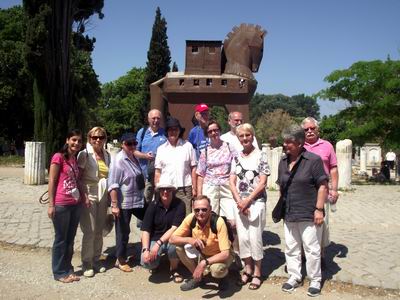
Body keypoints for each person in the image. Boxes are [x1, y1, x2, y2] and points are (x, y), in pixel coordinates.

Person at [278, 124, 328, 297]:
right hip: (290, 212)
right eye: (284, 141)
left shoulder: (313, 160)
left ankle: (315, 279)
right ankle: (294, 276)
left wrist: (319, 209)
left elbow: (322, 186)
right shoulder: (283, 161)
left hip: (309, 212)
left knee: (311, 248)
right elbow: (281, 186)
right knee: (291, 247)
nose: (285, 145)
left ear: (299, 143)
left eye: (288, 142)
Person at [229, 123, 270, 290]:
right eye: (241, 136)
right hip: (239, 204)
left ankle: (258, 273)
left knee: (255, 239)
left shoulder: (262, 155)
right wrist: (240, 201)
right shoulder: (236, 156)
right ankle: (247, 269)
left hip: (256, 202)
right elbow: (232, 181)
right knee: (243, 239)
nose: (245, 138)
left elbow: (263, 182)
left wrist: (248, 201)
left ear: (252, 136)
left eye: (247, 135)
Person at [169, 195, 233, 291]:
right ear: (193, 210)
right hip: (203, 253)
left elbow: (225, 254)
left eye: (204, 209)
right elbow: (172, 239)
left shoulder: (218, 222)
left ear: (210, 209)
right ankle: (198, 278)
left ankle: (223, 278)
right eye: (197, 210)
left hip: (220, 256)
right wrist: (190, 240)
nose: (200, 213)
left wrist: (204, 263)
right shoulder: (191, 218)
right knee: (178, 248)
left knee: (217, 270)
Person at [47, 129, 83, 283]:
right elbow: (52, 181)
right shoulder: (58, 157)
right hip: (61, 204)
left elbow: (77, 181)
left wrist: (84, 197)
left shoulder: (74, 159)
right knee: (61, 239)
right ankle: (59, 272)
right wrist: (51, 204)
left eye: (79, 141)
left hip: (75, 204)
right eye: (74, 140)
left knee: (70, 238)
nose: (76, 143)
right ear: (67, 140)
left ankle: (68, 268)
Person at [108, 132, 146, 272]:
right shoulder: (118, 160)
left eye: (134, 143)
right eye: (128, 144)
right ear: (122, 145)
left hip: (138, 199)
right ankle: (121, 259)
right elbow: (113, 184)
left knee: (149, 220)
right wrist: (114, 205)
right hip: (124, 202)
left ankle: (145, 250)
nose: (132, 146)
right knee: (123, 231)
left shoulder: (133, 156)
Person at [301, 117, 338, 258]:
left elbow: (333, 168)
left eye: (312, 128)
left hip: (322, 190)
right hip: (303, 191)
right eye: (306, 129)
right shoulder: (299, 146)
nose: (310, 131)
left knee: (320, 222)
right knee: (304, 222)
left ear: (317, 129)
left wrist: (334, 189)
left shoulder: (327, 145)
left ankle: (321, 255)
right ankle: (304, 254)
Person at [77, 126, 111, 277]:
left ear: (105, 139)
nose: (98, 140)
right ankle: (86, 262)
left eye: (101, 137)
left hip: (103, 193)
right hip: (89, 193)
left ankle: (96, 259)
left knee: (99, 229)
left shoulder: (107, 155)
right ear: (89, 139)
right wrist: (83, 195)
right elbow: (78, 177)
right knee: (89, 231)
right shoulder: (84, 155)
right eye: (94, 137)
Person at [140, 179, 186, 282]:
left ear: (173, 191)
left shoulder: (180, 204)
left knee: (174, 247)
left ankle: (174, 269)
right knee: (146, 261)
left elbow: (174, 228)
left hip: (172, 238)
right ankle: (155, 264)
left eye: (168, 190)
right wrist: (145, 249)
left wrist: (158, 244)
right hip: (155, 237)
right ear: (159, 191)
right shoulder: (153, 205)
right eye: (162, 189)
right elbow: (145, 230)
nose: (165, 192)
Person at [155, 117, 197, 215]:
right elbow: (158, 171)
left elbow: (193, 168)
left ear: (179, 131)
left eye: (175, 129)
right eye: (170, 129)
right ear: (167, 132)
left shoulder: (188, 146)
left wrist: (194, 188)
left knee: (186, 218)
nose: (173, 132)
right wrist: (157, 188)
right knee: (168, 217)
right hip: (166, 189)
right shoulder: (161, 149)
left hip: (185, 188)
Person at [197, 120, 237, 222]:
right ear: (207, 134)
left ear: (220, 131)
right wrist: (199, 195)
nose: (213, 133)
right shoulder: (205, 151)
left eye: (216, 130)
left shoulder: (229, 147)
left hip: (226, 186)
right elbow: (200, 174)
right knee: (211, 217)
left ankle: (228, 238)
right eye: (210, 131)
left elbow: (236, 165)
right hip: (210, 187)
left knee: (230, 218)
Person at [135, 109, 167, 203]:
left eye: (158, 118)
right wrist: (145, 156)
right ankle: (144, 218)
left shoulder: (164, 133)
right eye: (153, 118)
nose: (156, 121)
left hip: (160, 174)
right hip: (145, 174)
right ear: (148, 119)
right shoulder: (142, 132)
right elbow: (134, 151)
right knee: (145, 200)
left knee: (159, 200)